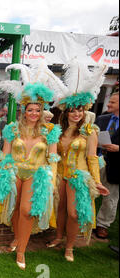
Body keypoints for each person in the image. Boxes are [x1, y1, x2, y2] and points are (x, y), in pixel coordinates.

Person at [0, 61, 62, 270]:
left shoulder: (50, 131)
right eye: (30, 109)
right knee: (14, 210)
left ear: (42, 111)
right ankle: (17, 239)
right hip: (15, 173)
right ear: (24, 110)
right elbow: (5, 155)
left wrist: (51, 180)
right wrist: (5, 172)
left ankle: (21, 251)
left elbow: (53, 158)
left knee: (26, 211)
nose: (33, 113)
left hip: (36, 175)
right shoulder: (12, 129)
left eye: (37, 110)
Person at [46, 60, 110, 262]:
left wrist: (97, 181)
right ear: (66, 112)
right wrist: (52, 177)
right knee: (61, 208)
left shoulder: (90, 131)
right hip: (61, 176)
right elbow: (54, 156)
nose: (76, 114)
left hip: (78, 177)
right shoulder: (58, 131)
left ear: (85, 111)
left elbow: (92, 158)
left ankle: (70, 247)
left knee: (74, 213)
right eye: (73, 110)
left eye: (80, 110)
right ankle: (58, 237)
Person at [94, 91, 119, 239]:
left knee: (110, 196)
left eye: (113, 102)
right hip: (97, 161)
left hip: (115, 165)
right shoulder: (101, 119)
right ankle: (83, 221)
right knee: (87, 192)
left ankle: (102, 225)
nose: (108, 104)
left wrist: (118, 149)